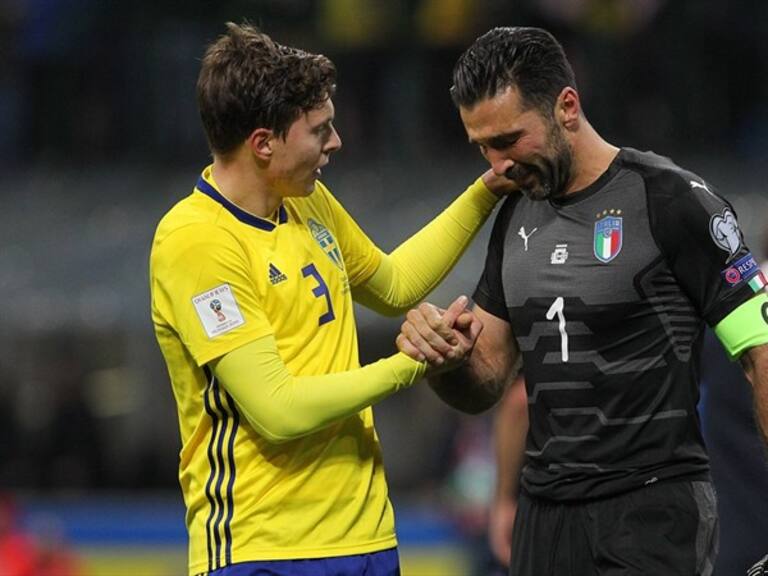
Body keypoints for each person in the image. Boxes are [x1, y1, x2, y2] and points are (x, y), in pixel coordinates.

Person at [396, 26, 768, 575]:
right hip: (545, 518)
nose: (496, 166)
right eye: (482, 146)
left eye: (508, 141)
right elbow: (488, 384)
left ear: (566, 107)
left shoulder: (673, 201)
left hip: (653, 509)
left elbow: (760, 354)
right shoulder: (514, 217)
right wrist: (442, 360)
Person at [149, 22, 515, 576]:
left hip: (365, 535)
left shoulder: (306, 202)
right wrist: (409, 366)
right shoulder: (195, 242)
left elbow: (394, 285)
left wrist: (485, 191)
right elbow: (277, 409)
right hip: (264, 547)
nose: (336, 143)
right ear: (263, 144)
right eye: (319, 130)